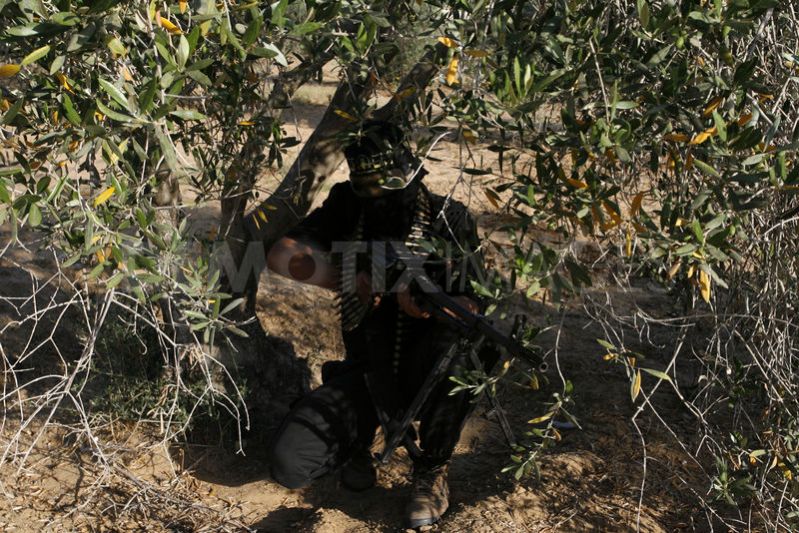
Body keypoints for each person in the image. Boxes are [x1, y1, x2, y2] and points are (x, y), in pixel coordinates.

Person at [266, 120, 498, 528]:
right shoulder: (350, 208)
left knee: (462, 352)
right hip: (370, 374)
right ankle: (363, 436)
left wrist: (428, 305)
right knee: (291, 464)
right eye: (370, 190)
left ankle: (431, 470)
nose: (382, 202)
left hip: (431, 374)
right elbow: (282, 254)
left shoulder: (450, 219)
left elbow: (475, 304)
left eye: (390, 190)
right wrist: (346, 275)